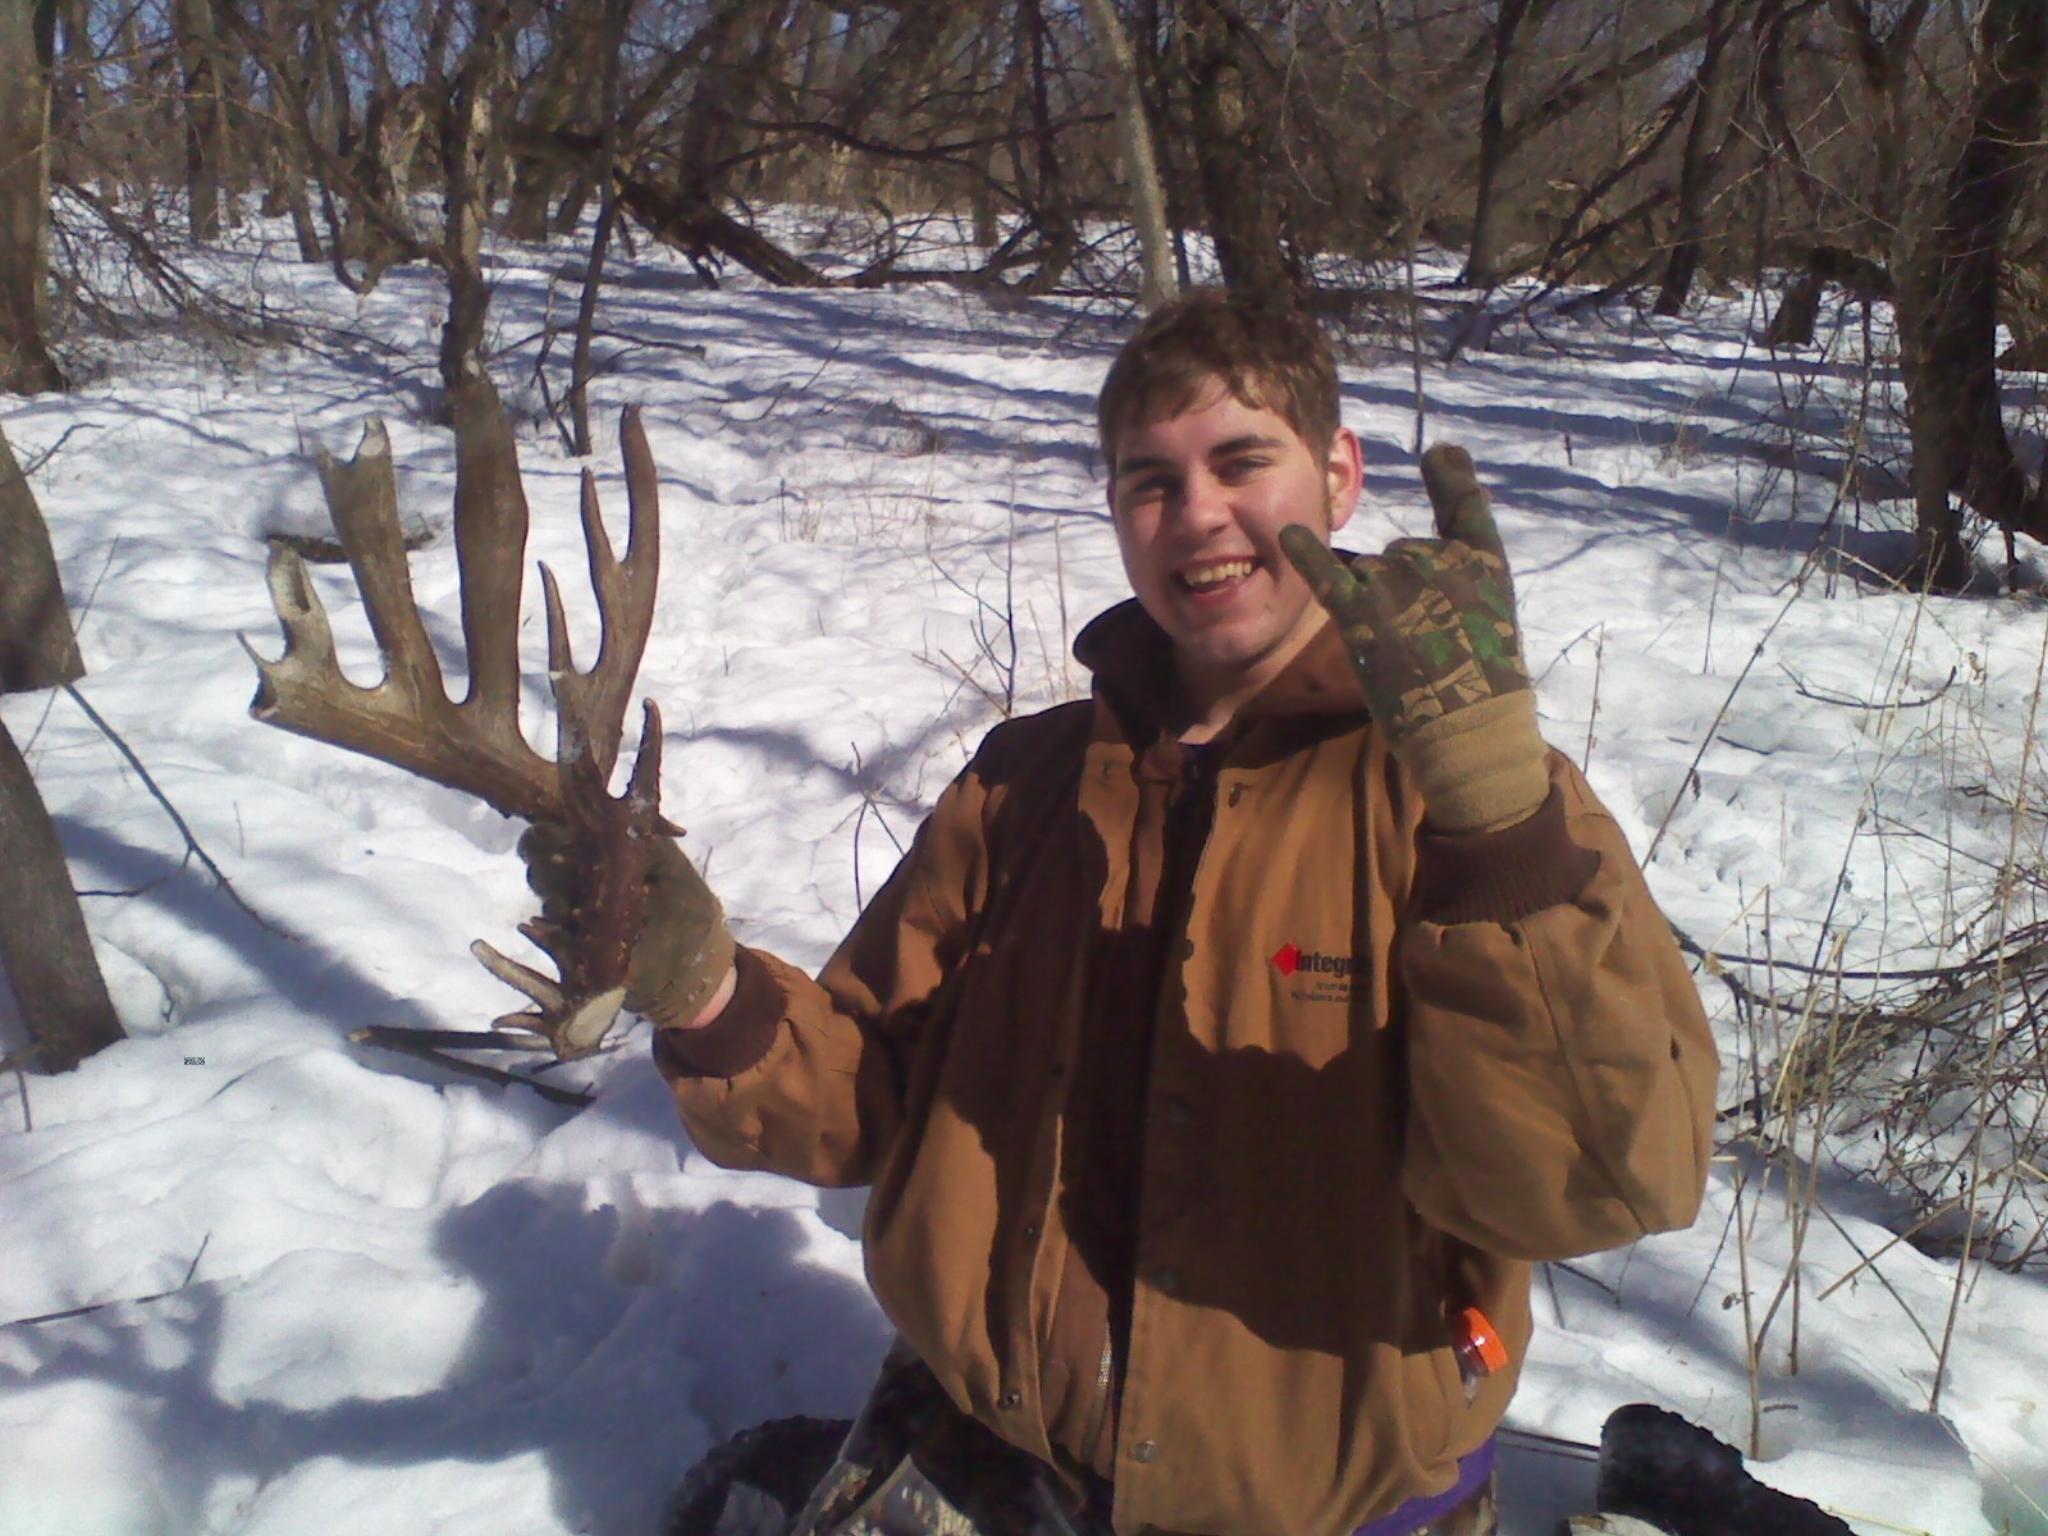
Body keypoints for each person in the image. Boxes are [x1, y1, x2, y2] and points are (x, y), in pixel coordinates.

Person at [528, 291, 1719, 1536]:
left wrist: (1489, 812)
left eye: (1240, 462)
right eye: (1149, 480)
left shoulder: (1463, 800)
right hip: (1000, 1456)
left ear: (1339, 474)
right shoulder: (1024, 784)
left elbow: (1603, 1183)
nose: (1195, 512)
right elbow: (874, 1099)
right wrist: (707, 994)